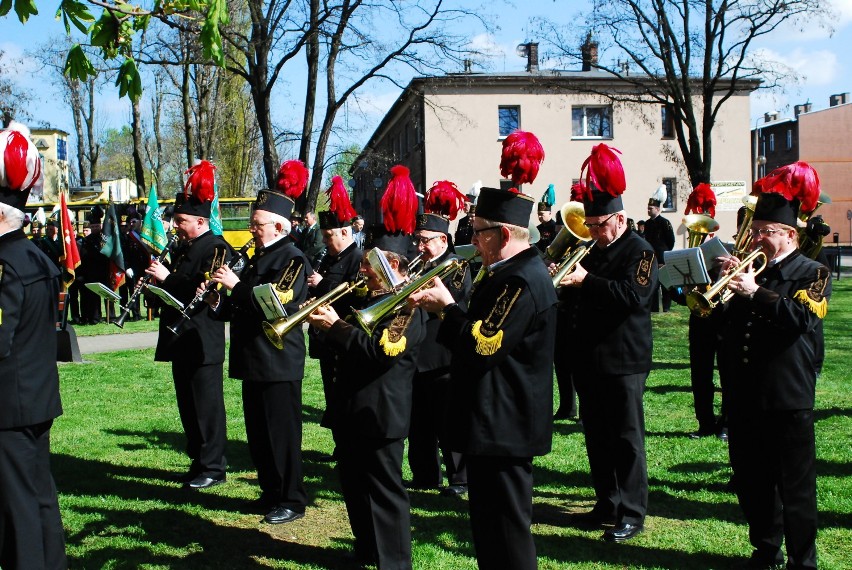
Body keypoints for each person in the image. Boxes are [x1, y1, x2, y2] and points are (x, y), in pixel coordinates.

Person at [409, 183, 558, 567]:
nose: (472, 241)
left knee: (507, 533)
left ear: (504, 234)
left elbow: (483, 344)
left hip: (506, 425)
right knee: (489, 531)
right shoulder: (503, 273)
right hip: (491, 423)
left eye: (478, 232)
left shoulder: (519, 280)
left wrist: (447, 308)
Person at [717, 177, 831, 570]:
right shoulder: (753, 270)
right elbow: (727, 323)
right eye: (755, 230)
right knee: (753, 481)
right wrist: (721, 287)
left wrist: (755, 292)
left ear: (789, 234)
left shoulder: (813, 271)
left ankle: (804, 561)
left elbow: (800, 318)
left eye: (766, 232)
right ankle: (766, 549)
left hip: (786, 394)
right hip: (745, 392)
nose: (758, 238)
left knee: (794, 487)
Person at [558, 143, 657, 543]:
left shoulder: (641, 250)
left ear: (619, 219)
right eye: (590, 225)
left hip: (624, 358)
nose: (594, 232)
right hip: (590, 357)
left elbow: (635, 297)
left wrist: (586, 281)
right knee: (596, 434)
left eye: (599, 225)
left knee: (626, 438)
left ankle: (632, 511)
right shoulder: (592, 250)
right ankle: (607, 501)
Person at [308, 233, 426, 570]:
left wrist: (336, 327)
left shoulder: (408, 304)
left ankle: (394, 562)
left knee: (384, 494)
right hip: (350, 407)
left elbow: (380, 353)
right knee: (354, 486)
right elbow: (344, 344)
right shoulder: (369, 297)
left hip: (380, 412)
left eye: (368, 263)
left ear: (391, 264)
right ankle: (367, 548)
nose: (362, 269)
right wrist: (321, 324)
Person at [208, 176, 311, 525]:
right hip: (253, 357)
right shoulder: (258, 256)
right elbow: (240, 303)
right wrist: (218, 300)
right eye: (253, 224)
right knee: (258, 434)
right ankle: (270, 492)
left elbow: (274, 304)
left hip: (278, 359)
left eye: (258, 224)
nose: (253, 230)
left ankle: (292, 498)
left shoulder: (293, 258)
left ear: (279, 225)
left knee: (281, 435)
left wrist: (236, 287)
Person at [0, 122, 67, 569]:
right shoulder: (37, 257)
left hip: (8, 402)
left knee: (18, 505)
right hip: (35, 396)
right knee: (40, 496)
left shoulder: (4, 264)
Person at [146, 160, 232, 489]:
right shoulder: (186, 247)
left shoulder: (215, 247)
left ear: (200, 221)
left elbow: (204, 290)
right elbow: (178, 287)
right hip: (180, 339)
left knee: (206, 408)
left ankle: (213, 465)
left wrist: (168, 278)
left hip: (201, 340)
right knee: (188, 405)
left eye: (181, 221)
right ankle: (198, 460)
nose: (176, 227)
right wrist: (157, 286)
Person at [407, 181, 473, 497]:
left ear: (442, 240)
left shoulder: (458, 266)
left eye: (424, 241)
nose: (418, 246)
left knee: (449, 421)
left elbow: (451, 299)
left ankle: (459, 478)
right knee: (418, 422)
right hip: (416, 351)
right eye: (416, 240)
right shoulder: (416, 265)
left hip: (443, 353)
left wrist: (414, 291)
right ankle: (424, 475)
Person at [306, 177, 364, 461]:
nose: (326, 242)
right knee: (331, 394)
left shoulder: (358, 258)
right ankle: (339, 446)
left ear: (343, 232)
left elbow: (354, 295)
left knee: (344, 393)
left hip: (344, 335)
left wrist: (321, 287)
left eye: (329, 237)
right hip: (325, 338)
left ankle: (349, 446)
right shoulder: (327, 258)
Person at [643, 187, 675, 312]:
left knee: (664, 282)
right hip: (651, 256)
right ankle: (654, 305)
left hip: (662, 256)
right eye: (648, 208)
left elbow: (670, 241)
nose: (648, 210)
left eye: (650, 209)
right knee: (652, 282)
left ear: (657, 209)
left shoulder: (664, 222)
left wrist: (663, 253)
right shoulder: (647, 223)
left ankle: (666, 305)